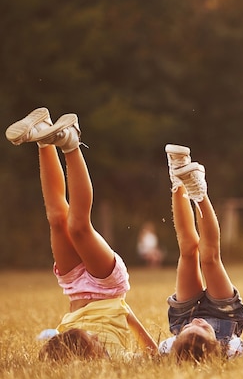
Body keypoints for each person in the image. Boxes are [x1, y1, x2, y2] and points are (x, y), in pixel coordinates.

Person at [5, 107, 158, 361]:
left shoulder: (67, 346)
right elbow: (126, 314)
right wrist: (153, 348)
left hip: (75, 289)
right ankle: (71, 143)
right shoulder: (115, 358)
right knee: (78, 227)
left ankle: (44, 136)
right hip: (108, 287)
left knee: (56, 220)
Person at [158, 144, 243, 362]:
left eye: (189, 329)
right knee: (209, 258)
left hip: (181, 315)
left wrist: (185, 325)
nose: (197, 322)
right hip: (226, 314)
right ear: (215, 344)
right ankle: (197, 191)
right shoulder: (231, 348)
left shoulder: (171, 347)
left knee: (187, 250)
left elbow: (152, 352)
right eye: (201, 328)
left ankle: (178, 177)